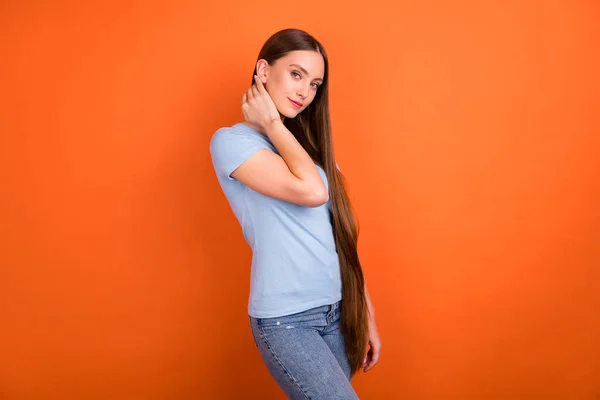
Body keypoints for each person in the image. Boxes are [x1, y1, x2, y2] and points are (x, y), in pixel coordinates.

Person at [209, 28, 381, 399]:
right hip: (288, 321)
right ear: (264, 70)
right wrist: (271, 123)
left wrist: (366, 314)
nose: (305, 91)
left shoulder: (311, 152)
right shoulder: (231, 142)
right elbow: (313, 193)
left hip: (336, 312)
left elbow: (341, 235)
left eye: (315, 83)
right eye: (296, 74)